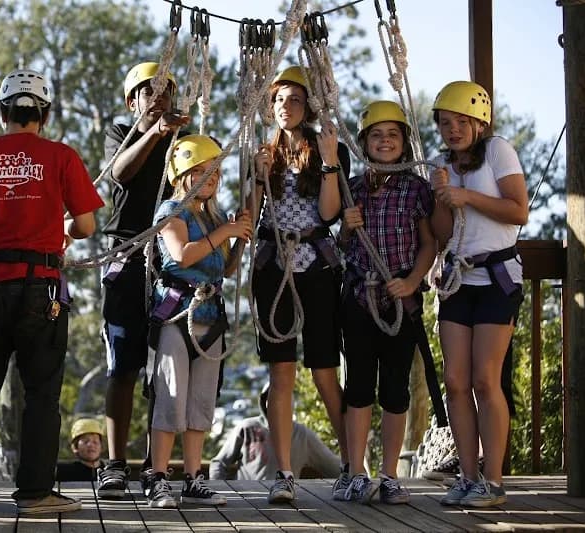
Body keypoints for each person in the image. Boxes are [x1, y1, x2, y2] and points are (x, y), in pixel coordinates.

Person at [0, 69, 104, 515]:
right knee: (41, 392)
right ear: (44, 114)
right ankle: (35, 492)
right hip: (41, 289)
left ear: (3, 113)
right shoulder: (61, 157)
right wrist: (63, 229)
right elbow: (87, 225)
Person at [251, 66, 350, 504]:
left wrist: (329, 160)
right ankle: (284, 472)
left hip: (317, 265)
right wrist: (257, 176)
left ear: (307, 106)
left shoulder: (328, 149)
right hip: (275, 265)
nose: (284, 108)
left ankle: (352, 465)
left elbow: (329, 214)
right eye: (277, 100)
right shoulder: (262, 154)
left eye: (293, 100)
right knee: (281, 371)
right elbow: (252, 215)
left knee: (326, 369)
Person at [430, 81, 527, 508]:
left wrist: (465, 195)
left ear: (479, 122)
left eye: (461, 122)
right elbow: (441, 233)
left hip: (496, 277)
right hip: (457, 279)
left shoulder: (497, 151)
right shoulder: (439, 164)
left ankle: (493, 480)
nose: (452, 130)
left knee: (485, 380)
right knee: (455, 381)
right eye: (445, 123)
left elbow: (518, 209)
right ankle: (467, 477)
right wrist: (442, 198)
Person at [97, 61, 190, 500]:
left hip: (170, 259)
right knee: (124, 362)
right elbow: (120, 173)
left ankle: (157, 469)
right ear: (132, 102)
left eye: (164, 93)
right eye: (147, 94)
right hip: (130, 256)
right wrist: (154, 131)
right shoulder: (124, 135)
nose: (157, 101)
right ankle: (114, 465)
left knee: (167, 366)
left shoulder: (183, 143)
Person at [336, 101, 437, 505]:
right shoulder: (354, 188)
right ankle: (358, 472)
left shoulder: (417, 188)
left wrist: (412, 281)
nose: (384, 142)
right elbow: (343, 246)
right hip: (361, 297)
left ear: (404, 143)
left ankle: (390, 474)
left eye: (392, 135)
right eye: (376, 135)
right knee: (358, 387)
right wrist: (347, 226)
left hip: (401, 300)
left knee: (395, 390)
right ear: (364, 143)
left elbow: (430, 242)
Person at [145, 134, 252, 508]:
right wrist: (226, 232)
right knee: (171, 398)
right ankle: (158, 477)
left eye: (216, 172)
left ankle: (193, 478)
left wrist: (238, 237)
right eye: (203, 172)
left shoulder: (215, 217)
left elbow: (226, 267)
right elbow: (181, 254)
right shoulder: (171, 211)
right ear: (183, 173)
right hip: (177, 315)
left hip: (210, 319)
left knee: (201, 402)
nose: (212, 178)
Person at [209, 383, 341, 481]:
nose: (276, 402)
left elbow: (334, 467)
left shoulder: (301, 435)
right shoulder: (246, 428)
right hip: (247, 499)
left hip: (285, 502)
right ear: (264, 401)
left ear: (290, 402)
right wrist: (223, 491)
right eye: (271, 397)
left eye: (282, 398)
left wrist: (356, 470)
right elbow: (218, 464)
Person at [56, 418, 107, 482]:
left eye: (95, 441)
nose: (90, 445)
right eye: (86, 441)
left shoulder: (110, 472)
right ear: (75, 447)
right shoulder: (62, 471)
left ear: (101, 446)